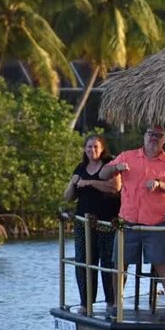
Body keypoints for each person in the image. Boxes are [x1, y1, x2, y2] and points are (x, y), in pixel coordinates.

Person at [100, 125, 165, 321]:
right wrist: (115, 169)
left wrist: (160, 185)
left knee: (162, 263)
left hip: (155, 222)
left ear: (164, 140)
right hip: (127, 221)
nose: (154, 138)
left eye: (158, 135)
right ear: (144, 136)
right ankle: (115, 303)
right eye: (150, 134)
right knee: (120, 262)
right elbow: (103, 174)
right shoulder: (127, 156)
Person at [64, 135, 121, 316]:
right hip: (84, 223)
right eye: (89, 147)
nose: (92, 150)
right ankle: (85, 303)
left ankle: (111, 302)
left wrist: (90, 182)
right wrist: (74, 183)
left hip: (106, 221)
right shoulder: (81, 168)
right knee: (84, 261)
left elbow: (115, 187)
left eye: (95, 147)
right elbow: (68, 197)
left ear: (102, 148)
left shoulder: (110, 165)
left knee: (107, 262)